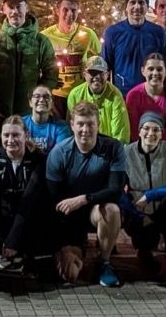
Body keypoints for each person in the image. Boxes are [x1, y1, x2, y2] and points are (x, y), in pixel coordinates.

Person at [44, 102, 128, 286]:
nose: (85, 129)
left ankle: (104, 262)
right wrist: (66, 246)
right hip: (67, 214)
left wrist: (84, 199)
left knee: (112, 210)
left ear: (98, 124)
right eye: (80, 124)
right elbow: (54, 202)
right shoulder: (59, 153)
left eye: (90, 124)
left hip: (95, 208)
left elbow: (115, 191)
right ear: (72, 125)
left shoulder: (113, 148)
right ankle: (76, 251)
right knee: (70, 273)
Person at [121, 111, 166, 284]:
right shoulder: (127, 152)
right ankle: (144, 250)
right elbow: (119, 190)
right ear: (139, 131)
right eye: (146, 128)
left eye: (156, 130)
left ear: (162, 133)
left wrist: (149, 195)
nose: (151, 133)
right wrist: (137, 214)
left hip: (161, 209)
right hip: (138, 211)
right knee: (140, 230)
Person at [0, 114, 45, 271]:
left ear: (26, 135)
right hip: (2, 214)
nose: (10, 140)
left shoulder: (38, 159)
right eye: (6, 135)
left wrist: (13, 239)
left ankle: (24, 251)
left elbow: (29, 199)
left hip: (28, 214)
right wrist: (1, 241)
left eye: (16, 135)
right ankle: (0, 249)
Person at [0, 0, 58, 118]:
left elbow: (51, 72)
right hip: (0, 113)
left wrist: (38, 97)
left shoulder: (41, 41)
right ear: (4, 9)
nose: (15, 11)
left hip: (29, 113)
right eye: (11, 7)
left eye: (19, 7)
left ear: (26, 8)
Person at [102, 0, 166, 96]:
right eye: (132, 2)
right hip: (122, 96)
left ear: (147, 7)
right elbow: (105, 68)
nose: (137, 7)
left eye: (141, 2)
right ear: (126, 7)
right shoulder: (112, 33)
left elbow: (164, 67)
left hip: (150, 95)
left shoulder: (158, 33)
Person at [124, 53, 166, 161]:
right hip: (141, 152)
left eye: (159, 69)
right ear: (143, 71)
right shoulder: (133, 95)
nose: (155, 73)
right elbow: (134, 131)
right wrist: (142, 158)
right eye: (151, 69)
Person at [43, 0, 102, 114]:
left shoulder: (88, 34)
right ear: (57, 11)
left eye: (73, 10)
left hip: (80, 93)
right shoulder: (45, 36)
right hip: (56, 94)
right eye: (65, 10)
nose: (70, 14)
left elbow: (101, 57)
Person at [65, 56, 130, 141]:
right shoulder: (75, 95)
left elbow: (120, 133)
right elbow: (70, 128)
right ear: (84, 75)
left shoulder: (115, 96)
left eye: (101, 73)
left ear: (107, 75)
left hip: (108, 145)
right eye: (93, 72)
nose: (97, 77)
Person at [23, 84, 71, 151]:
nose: (42, 100)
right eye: (37, 96)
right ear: (30, 102)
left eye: (46, 97)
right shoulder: (20, 124)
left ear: (52, 104)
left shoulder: (62, 127)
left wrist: (34, 149)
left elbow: (61, 154)